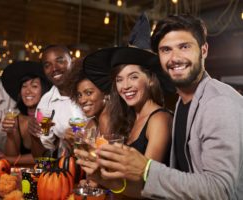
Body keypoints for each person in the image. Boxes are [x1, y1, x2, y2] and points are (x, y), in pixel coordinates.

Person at [81, 14, 243, 199]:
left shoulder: (219, 103)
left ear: (203, 50)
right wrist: (103, 179)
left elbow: (220, 191)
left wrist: (146, 169)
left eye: (184, 47)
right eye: (166, 50)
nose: (174, 58)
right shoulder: (183, 104)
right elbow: (169, 188)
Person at [74, 46, 173, 198]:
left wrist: (102, 180)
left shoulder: (159, 119)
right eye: (119, 80)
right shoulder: (130, 119)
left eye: (133, 77)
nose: (125, 86)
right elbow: (123, 177)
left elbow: (147, 184)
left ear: (151, 80)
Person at [28, 45, 84, 157]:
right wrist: (34, 135)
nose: (54, 68)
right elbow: (43, 155)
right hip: (70, 166)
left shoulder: (89, 89)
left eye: (60, 60)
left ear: (71, 61)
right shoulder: (45, 104)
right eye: (47, 65)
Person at [1, 61, 51, 165]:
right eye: (24, 86)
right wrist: (10, 133)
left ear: (44, 91)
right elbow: (11, 156)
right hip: (23, 178)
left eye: (34, 86)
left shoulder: (49, 119)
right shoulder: (17, 119)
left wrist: (4, 160)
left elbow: (46, 158)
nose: (28, 91)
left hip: (48, 178)